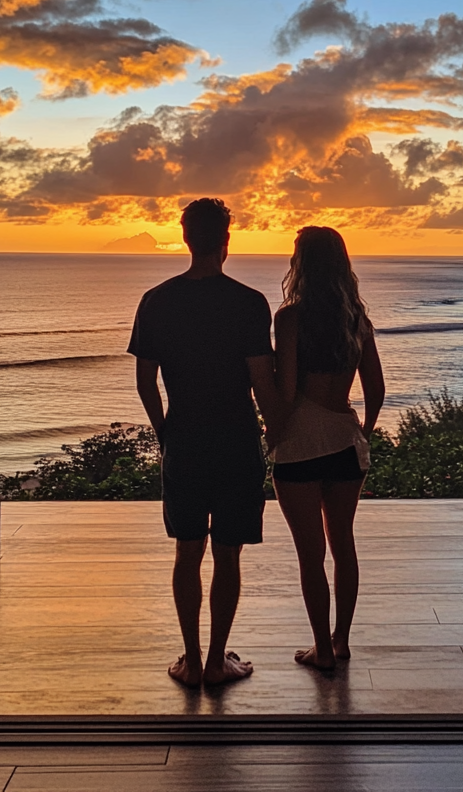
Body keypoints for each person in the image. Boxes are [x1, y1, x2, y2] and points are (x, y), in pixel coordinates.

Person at [129, 198, 280, 688]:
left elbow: (146, 381)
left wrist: (163, 431)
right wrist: (276, 433)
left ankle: (191, 661)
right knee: (228, 553)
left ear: (186, 237)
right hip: (237, 441)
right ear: (226, 241)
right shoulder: (249, 302)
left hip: (185, 439)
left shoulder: (157, 299)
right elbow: (262, 382)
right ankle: (217, 661)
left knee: (187, 550)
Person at [270, 226, 385, 670]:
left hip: (300, 441)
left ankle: (320, 647)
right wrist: (363, 432)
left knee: (310, 554)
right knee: (343, 546)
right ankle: (340, 640)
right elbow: (375, 389)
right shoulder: (357, 319)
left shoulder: (291, 318)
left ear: (301, 263)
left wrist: (270, 430)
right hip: (343, 439)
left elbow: (287, 386)